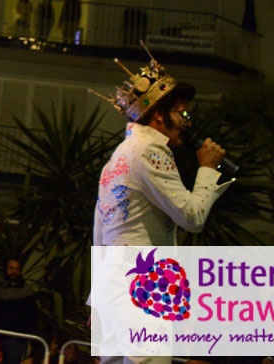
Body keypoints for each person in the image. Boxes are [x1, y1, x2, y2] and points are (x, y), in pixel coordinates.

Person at [92, 47, 232, 364]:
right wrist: (208, 169)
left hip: (114, 285)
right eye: (182, 114)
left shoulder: (119, 156)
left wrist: (98, 298)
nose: (186, 123)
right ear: (158, 115)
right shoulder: (151, 151)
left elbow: (100, 229)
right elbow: (192, 217)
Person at [0, 258, 39, 364]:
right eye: (11, 268)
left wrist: (21, 336)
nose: (14, 271)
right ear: (5, 269)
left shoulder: (27, 292)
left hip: (15, 339)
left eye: (17, 269)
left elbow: (31, 316)